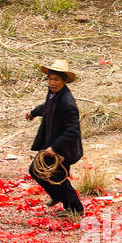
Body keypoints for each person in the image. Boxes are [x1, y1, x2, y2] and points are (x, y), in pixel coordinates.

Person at [26, 59, 84, 215]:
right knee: (39, 172)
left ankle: (76, 209)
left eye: (56, 79)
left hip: (63, 149)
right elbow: (48, 106)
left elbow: (73, 131)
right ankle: (57, 196)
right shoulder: (54, 93)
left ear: (65, 81)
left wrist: (55, 148)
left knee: (57, 178)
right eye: (50, 78)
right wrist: (34, 112)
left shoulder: (67, 103)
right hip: (52, 143)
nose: (52, 82)